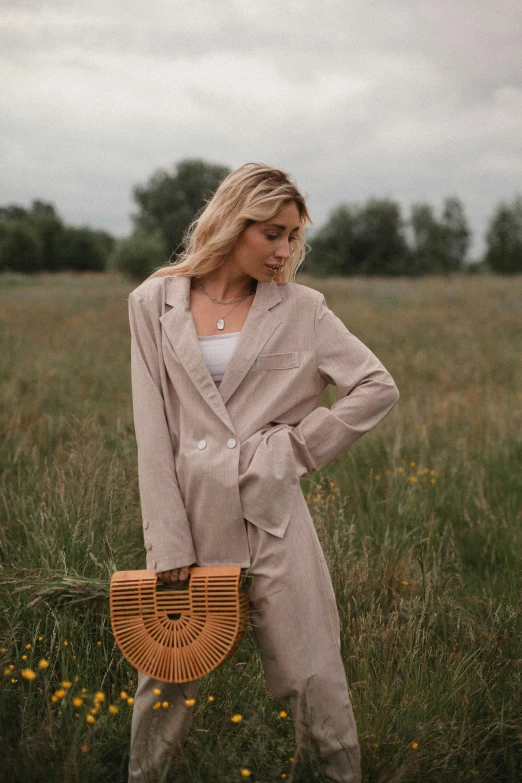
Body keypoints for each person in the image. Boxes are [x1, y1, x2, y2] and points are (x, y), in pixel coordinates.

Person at [126, 163, 400, 783]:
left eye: (292, 236)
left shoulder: (302, 309)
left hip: (272, 517)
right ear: (232, 223)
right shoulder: (153, 302)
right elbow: (153, 429)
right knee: (167, 680)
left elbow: (375, 386)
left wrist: (296, 449)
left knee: (313, 677)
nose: (284, 251)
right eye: (271, 233)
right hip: (191, 523)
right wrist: (166, 540)